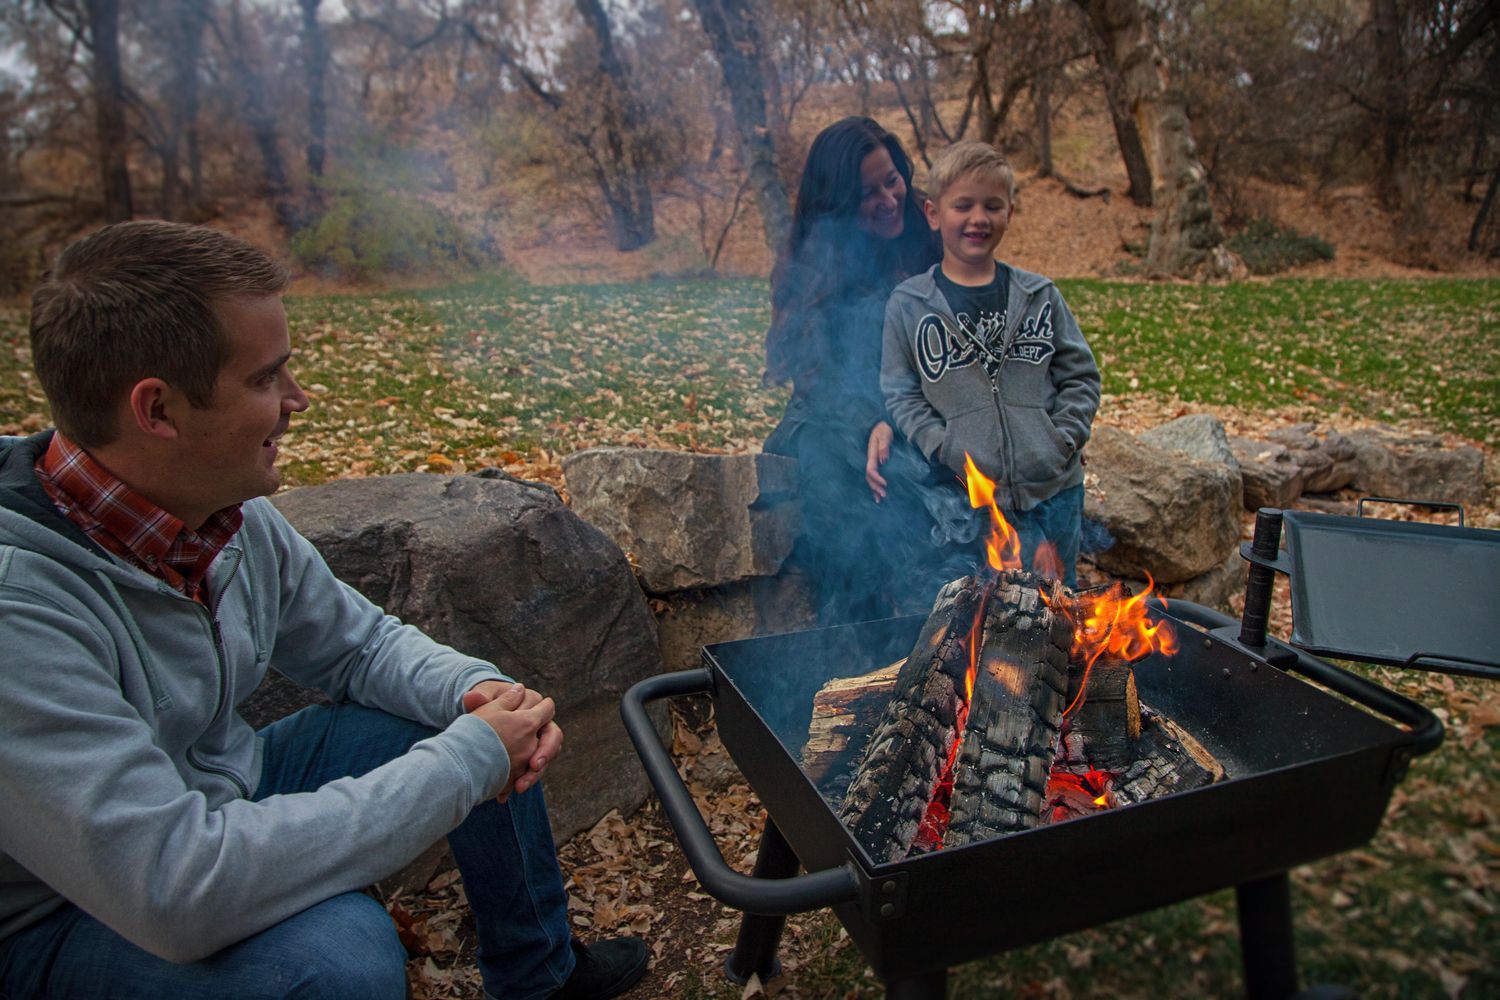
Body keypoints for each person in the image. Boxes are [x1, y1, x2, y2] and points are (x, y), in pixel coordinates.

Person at [0, 221, 648, 1000]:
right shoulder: (19, 609)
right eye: (268, 378)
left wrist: (474, 694)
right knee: (338, 963)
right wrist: (467, 761)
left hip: (218, 796)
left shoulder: (218, 507)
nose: (299, 402)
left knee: (468, 716)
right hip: (61, 911)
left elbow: (358, 647)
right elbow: (174, 886)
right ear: (159, 410)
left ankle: (541, 979)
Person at [881, 141, 1101, 588]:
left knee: (1063, 607)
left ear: (1010, 214)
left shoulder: (1040, 296)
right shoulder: (909, 305)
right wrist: (942, 446)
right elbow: (900, 391)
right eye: (963, 205)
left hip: (1057, 490)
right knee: (997, 615)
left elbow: (1080, 376)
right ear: (933, 214)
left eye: (992, 206)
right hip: (979, 501)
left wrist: (1061, 440)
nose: (978, 218)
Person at [762, 116, 953, 624]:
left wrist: (900, 419)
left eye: (892, 179)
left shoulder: (927, 237)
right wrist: (869, 421)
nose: (889, 199)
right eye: (869, 193)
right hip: (832, 418)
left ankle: (944, 635)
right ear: (839, 205)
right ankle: (854, 641)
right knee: (837, 481)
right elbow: (814, 375)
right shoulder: (815, 266)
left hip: (918, 410)